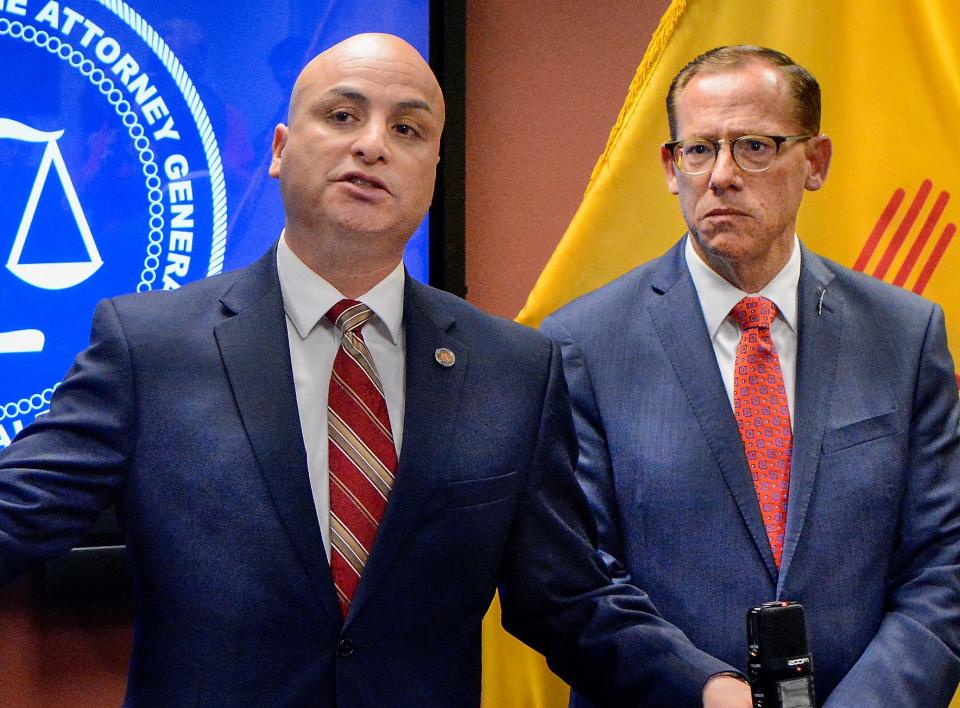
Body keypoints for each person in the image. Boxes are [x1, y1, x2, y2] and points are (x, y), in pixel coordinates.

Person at [0, 34, 751, 707]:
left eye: (407, 129)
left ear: (430, 171)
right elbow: (16, 514)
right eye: (341, 116)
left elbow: (569, 598)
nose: (371, 146)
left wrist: (709, 687)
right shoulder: (148, 347)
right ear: (280, 148)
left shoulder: (515, 368)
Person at [542, 45, 960, 706]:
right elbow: (575, 582)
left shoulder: (905, 337)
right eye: (700, 150)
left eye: (756, 147)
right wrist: (708, 692)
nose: (722, 175)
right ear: (671, 168)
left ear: (814, 162)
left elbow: (944, 567)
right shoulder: (579, 346)